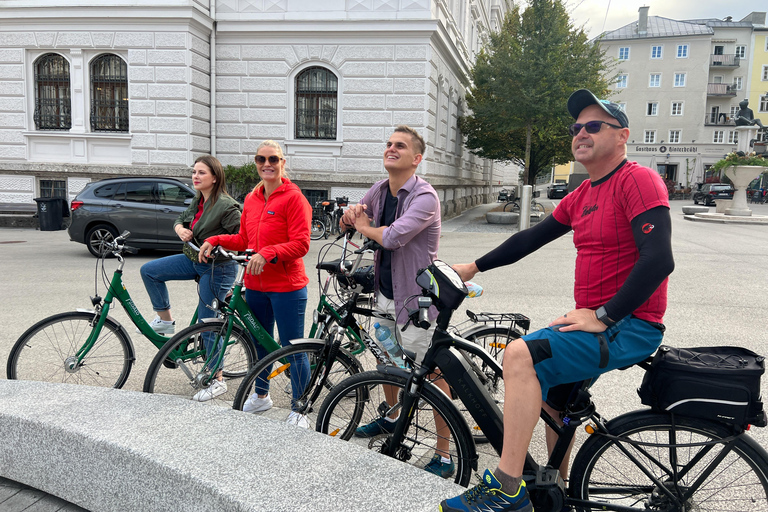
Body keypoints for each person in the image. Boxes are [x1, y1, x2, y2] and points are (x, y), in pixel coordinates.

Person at [441, 89, 674, 512]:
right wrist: (472, 267)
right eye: (576, 127)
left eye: (593, 126)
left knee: (518, 354)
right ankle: (558, 497)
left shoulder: (636, 180)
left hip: (629, 325)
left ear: (622, 136)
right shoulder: (584, 193)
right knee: (553, 402)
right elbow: (530, 238)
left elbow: (659, 259)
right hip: (601, 321)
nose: (580, 133)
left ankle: (507, 487)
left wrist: (605, 315)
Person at [340, 125, 452, 477]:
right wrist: (350, 217)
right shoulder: (379, 189)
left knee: (432, 374)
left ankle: (445, 454)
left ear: (416, 158)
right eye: (388, 143)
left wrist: (363, 226)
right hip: (386, 294)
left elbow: (394, 237)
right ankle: (391, 419)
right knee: (387, 360)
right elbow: (358, 218)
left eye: (400, 146)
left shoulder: (425, 197)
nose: (391, 148)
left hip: (417, 300)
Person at [198, 140, 313, 427]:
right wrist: (215, 239)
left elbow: (301, 244)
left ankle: (300, 408)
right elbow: (244, 241)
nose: (267, 164)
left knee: (292, 348)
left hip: (287, 286)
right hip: (256, 284)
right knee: (259, 344)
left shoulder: (294, 198)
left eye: (273, 159)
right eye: (261, 159)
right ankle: (262, 396)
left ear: (283, 162)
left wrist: (269, 252)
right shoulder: (252, 198)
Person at [139, 155, 241, 400]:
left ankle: (217, 379)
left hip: (218, 268)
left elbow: (241, 237)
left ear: (215, 178)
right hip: (194, 260)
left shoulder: (226, 206)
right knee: (149, 271)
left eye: (201, 173)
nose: (195, 176)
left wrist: (215, 242)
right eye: (194, 172)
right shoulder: (199, 200)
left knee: (207, 324)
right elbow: (179, 219)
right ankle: (166, 321)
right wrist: (180, 229)